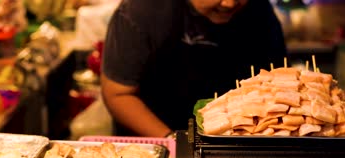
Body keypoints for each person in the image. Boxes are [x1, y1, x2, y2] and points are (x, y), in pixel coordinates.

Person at [101, 0, 287, 137]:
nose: (230, 4)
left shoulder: (261, 13)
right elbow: (118, 94)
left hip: (237, 145)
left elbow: (276, 89)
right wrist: (172, 141)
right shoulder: (140, 10)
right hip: (156, 143)